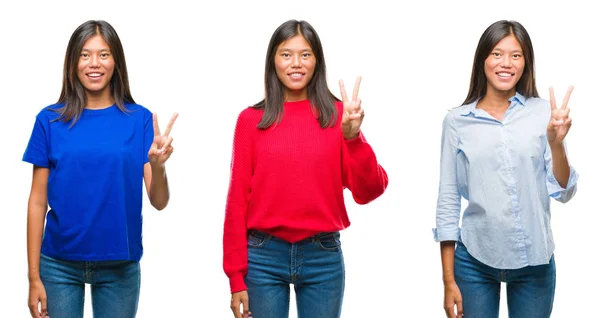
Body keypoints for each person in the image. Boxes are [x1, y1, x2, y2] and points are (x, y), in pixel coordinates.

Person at [223, 19, 389, 318]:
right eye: (286, 54)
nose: (296, 63)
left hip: (322, 255)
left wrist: (353, 138)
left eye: (305, 54)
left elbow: (369, 191)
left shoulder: (339, 115)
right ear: (273, 60)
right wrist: (236, 277)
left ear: (317, 61)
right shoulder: (250, 121)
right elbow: (237, 201)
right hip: (262, 256)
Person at [23, 20, 178, 318]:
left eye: (104, 54)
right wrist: (33, 278)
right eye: (85, 54)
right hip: (58, 265)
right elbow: (37, 202)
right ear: (73, 62)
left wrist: (157, 167)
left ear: (116, 61)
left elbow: (158, 201)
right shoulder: (49, 120)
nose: (94, 63)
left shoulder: (140, 119)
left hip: (120, 263)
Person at [434, 20, 578, 318]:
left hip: (534, 262)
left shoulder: (543, 113)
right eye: (497, 54)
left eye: (516, 55)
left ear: (526, 63)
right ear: (483, 59)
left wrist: (556, 143)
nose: (506, 63)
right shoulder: (457, 121)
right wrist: (448, 280)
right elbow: (448, 200)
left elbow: (563, 191)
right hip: (474, 261)